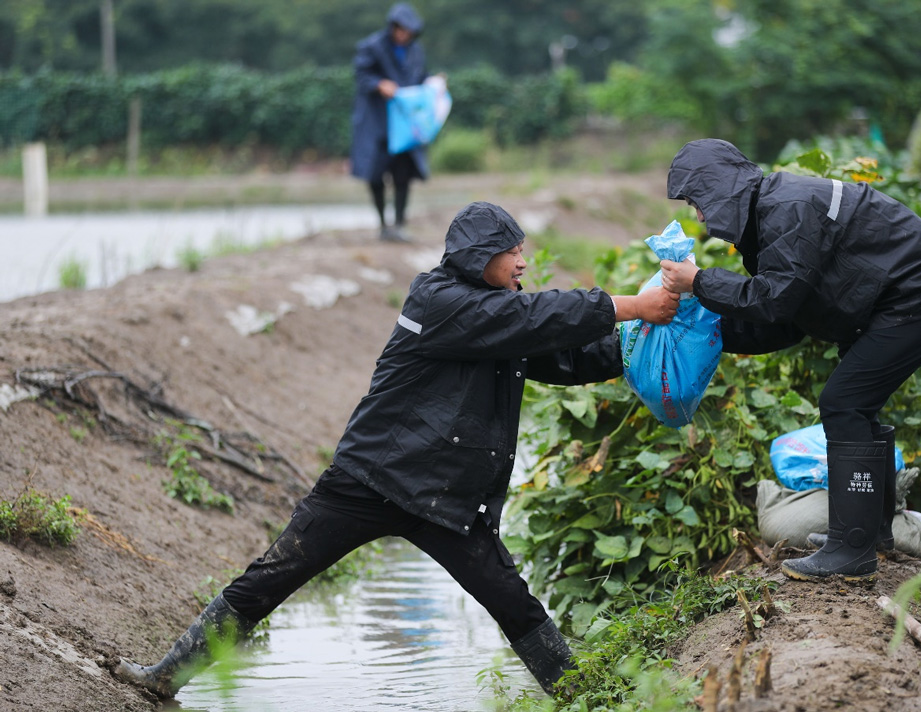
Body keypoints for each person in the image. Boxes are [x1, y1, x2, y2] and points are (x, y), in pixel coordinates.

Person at [115, 201, 681, 699]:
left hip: (442, 498)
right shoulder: (438, 300)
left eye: (521, 251)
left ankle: (583, 697)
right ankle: (165, 677)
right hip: (369, 479)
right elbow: (530, 317)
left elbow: (563, 355)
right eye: (512, 252)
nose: (522, 263)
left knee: (513, 602)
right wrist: (633, 305)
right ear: (477, 256)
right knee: (271, 577)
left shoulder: (498, 314)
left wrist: (643, 344)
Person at [659, 138, 921, 583]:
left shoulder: (788, 208)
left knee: (844, 403)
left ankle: (851, 547)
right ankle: (871, 533)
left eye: (697, 202)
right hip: (905, 299)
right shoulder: (771, 214)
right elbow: (787, 320)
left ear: (717, 189)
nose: (699, 216)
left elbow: (773, 300)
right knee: (856, 404)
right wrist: (708, 334)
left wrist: (699, 281)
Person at [350, 2, 430, 243]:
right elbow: (361, 76)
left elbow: (422, 77)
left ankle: (400, 224)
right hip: (377, 123)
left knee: (403, 174)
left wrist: (433, 83)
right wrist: (379, 84)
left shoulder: (416, 51)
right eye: (401, 29)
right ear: (393, 27)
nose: (404, 35)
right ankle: (383, 225)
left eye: (409, 31)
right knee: (375, 175)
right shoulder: (372, 46)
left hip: (405, 126)